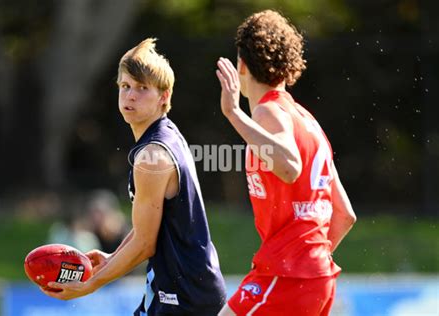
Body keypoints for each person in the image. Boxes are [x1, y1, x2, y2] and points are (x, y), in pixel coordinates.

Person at [43, 38, 227, 315]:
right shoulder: (165, 135)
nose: (130, 96)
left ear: (164, 96)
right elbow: (145, 230)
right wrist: (111, 258)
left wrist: (91, 284)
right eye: (125, 86)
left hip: (183, 297)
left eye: (142, 88)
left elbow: (145, 244)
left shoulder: (151, 156)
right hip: (185, 289)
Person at [216, 10, 356, 316]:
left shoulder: (267, 113)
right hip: (315, 277)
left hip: (287, 275)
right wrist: (310, 264)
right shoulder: (308, 122)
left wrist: (233, 114)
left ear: (241, 65)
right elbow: (345, 215)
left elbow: (289, 165)